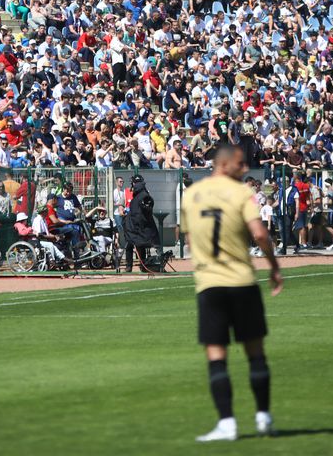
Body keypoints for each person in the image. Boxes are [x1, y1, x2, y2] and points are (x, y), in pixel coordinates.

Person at [182, 142, 283, 442]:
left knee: (216, 356)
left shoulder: (191, 194)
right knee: (255, 353)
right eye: (240, 163)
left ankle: (227, 424)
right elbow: (260, 233)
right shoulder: (241, 192)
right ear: (223, 164)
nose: (244, 168)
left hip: (209, 285)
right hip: (241, 282)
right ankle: (263, 416)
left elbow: (188, 237)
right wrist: (274, 266)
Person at [123, 174, 160, 272]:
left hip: (137, 228)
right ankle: (138, 265)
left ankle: (131, 266)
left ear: (134, 184)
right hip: (137, 227)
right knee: (137, 245)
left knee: (134, 245)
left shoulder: (143, 195)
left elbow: (147, 207)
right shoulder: (141, 194)